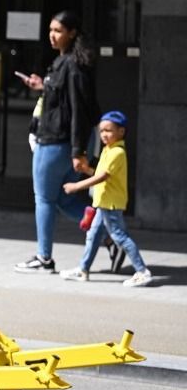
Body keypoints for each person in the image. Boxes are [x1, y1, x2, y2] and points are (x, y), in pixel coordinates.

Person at [15, 10, 100, 273]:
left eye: (58, 31)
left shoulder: (71, 66)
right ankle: (105, 230)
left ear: (72, 33)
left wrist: (78, 151)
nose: (52, 35)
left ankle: (44, 258)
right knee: (62, 199)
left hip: (54, 142)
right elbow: (65, 100)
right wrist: (44, 85)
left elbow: (77, 111)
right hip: (59, 142)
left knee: (44, 199)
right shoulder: (66, 63)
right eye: (50, 30)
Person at [60, 111, 152, 287]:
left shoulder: (117, 152)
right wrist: (86, 170)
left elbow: (102, 177)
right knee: (93, 236)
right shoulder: (108, 150)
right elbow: (99, 173)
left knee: (120, 236)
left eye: (108, 130)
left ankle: (142, 271)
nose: (104, 134)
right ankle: (83, 269)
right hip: (103, 203)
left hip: (110, 204)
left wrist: (76, 186)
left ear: (121, 132)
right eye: (101, 131)